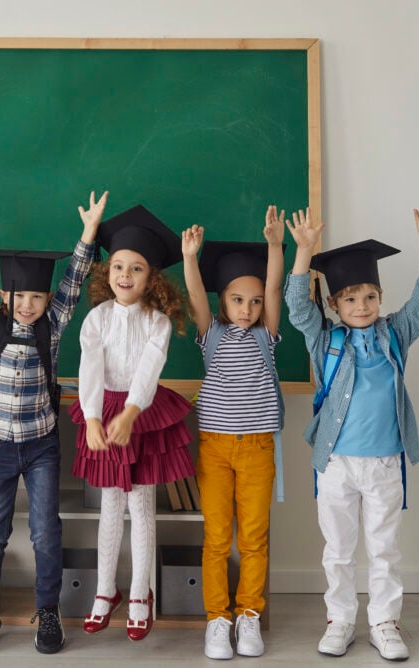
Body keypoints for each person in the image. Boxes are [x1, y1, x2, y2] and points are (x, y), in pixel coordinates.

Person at [284, 195, 419, 661]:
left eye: (369, 296)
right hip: (335, 464)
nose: (361, 305)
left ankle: (384, 622)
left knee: (384, 548)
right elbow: (297, 305)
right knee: (337, 549)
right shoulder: (325, 341)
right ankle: (339, 620)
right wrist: (303, 250)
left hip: (385, 462)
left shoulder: (396, 335)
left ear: (380, 298)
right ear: (334, 303)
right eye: (350, 299)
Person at [0, 190, 108, 657]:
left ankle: (48, 612)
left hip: (41, 444)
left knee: (45, 531)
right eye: (20, 296)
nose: (28, 304)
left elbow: (75, 280)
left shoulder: (53, 324)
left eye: (37, 296)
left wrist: (89, 231)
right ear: (4, 295)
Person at [71, 204, 195, 643]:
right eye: (119, 266)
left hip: (142, 414)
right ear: (108, 273)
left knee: (142, 507)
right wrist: (90, 417)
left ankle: (141, 595)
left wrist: (131, 412)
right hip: (102, 409)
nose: (126, 275)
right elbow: (89, 368)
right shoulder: (96, 318)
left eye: (136, 268)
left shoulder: (157, 322)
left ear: (151, 278)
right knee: (109, 507)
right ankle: (107, 591)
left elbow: (149, 368)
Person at [180, 207, 286, 660]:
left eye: (255, 301)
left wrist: (277, 246)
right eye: (238, 300)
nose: (248, 308)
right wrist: (189, 257)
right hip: (216, 449)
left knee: (255, 538)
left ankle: (249, 616)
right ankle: (217, 620)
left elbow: (278, 285)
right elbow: (194, 295)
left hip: (258, 447)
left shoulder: (267, 336)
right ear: (223, 300)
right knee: (218, 538)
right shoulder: (213, 335)